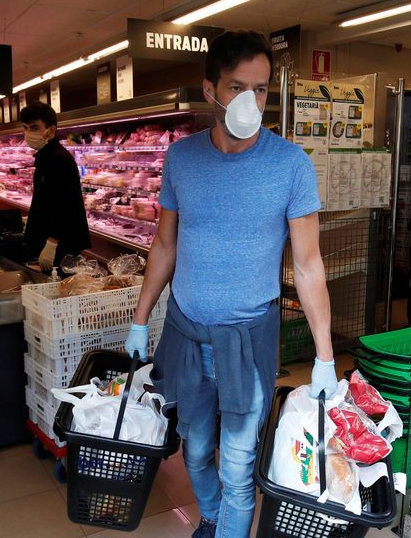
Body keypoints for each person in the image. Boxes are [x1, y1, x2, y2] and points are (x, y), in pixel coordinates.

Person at [125, 31, 337, 538]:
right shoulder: (181, 158)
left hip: (248, 339)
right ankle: (215, 517)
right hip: (186, 331)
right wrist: (139, 319)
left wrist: (325, 356)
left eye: (260, 89)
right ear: (210, 90)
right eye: (237, 87)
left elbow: (307, 266)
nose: (251, 101)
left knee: (238, 463)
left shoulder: (290, 165)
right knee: (195, 449)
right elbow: (164, 246)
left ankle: (228, 527)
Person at [19, 101, 90, 271]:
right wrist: (34, 218)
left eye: (35, 127)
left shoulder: (58, 159)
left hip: (61, 242)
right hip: (51, 236)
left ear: (50, 131)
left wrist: (52, 243)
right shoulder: (46, 156)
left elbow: (65, 204)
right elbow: (49, 197)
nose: (28, 133)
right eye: (25, 127)